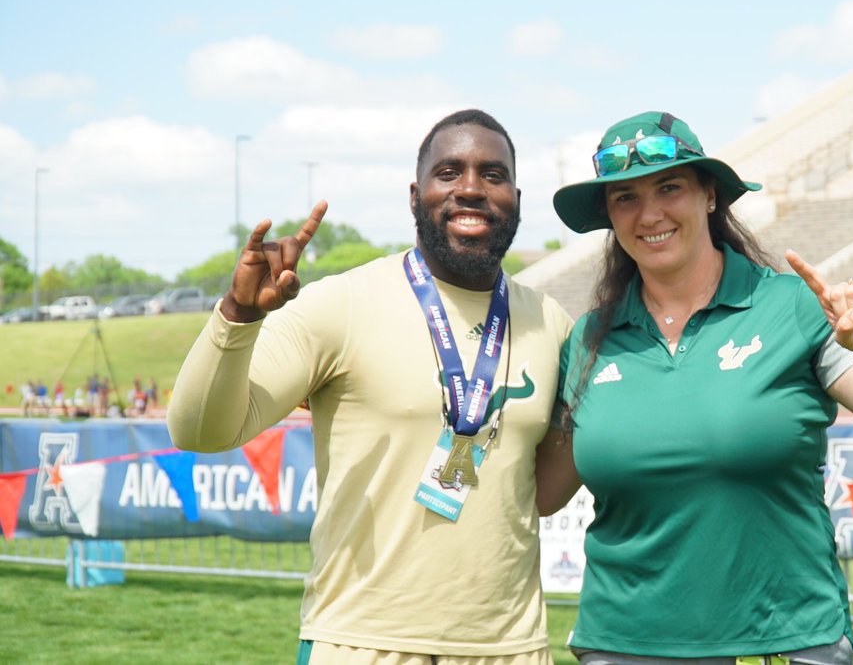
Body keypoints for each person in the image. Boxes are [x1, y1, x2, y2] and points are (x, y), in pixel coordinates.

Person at [535, 111, 853, 663]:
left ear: (710, 195)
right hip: (624, 643)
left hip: (785, 640)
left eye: (670, 188)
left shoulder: (793, 308)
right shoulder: (590, 338)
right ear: (609, 216)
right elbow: (542, 494)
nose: (650, 213)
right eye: (625, 198)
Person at [167, 110, 573, 664]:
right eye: (449, 172)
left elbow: (539, 494)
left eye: (493, 175)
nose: (471, 188)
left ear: (516, 199)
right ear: (415, 196)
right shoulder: (341, 305)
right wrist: (239, 314)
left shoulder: (551, 324)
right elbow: (198, 432)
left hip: (511, 649)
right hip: (362, 643)